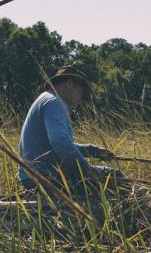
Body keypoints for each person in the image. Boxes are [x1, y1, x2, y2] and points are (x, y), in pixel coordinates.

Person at [18, 65, 119, 197]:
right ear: (69, 83)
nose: (81, 99)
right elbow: (60, 142)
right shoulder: (55, 103)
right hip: (46, 177)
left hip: (34, 177)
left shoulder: (46, 99)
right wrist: (86, 171)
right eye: (81, 93)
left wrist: (93, 151)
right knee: (115, 177)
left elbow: (55, 145)